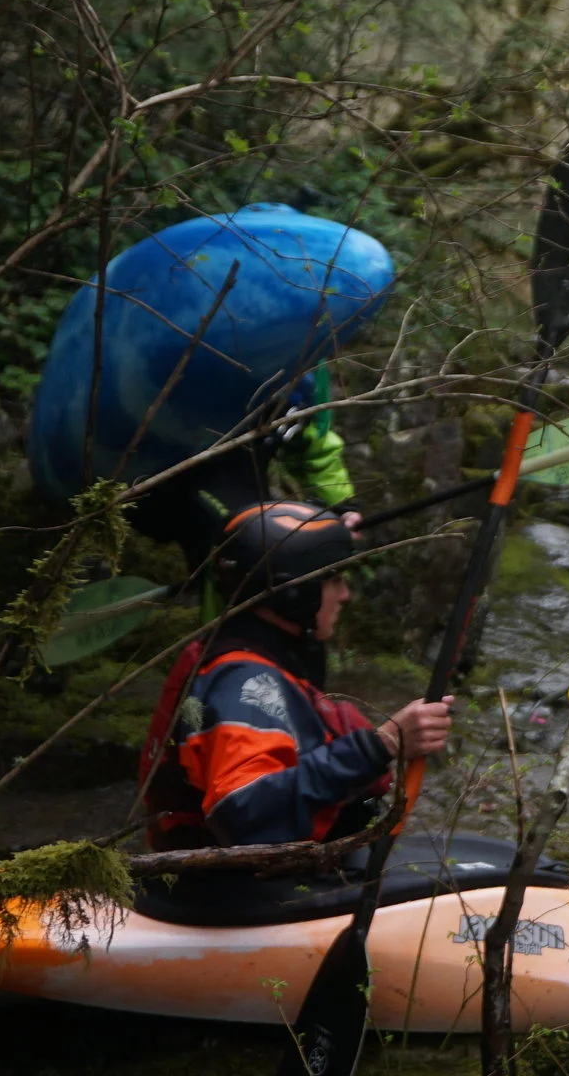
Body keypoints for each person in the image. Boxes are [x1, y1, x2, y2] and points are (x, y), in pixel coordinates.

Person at [139, 501, 451, 850]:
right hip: (230, 891)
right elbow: (243, 814)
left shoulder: (245, 645)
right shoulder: (247, 681)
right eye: (334, 581)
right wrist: (383, 744)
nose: (345, 594)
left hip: (252, 877)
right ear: (294, 593)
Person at [128, 364, 362, 582]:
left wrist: (340, 507)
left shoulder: (302, 340)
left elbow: (313, 443)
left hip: (239, 465)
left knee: (256, 549)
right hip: (152, 470)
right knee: (241, 550)